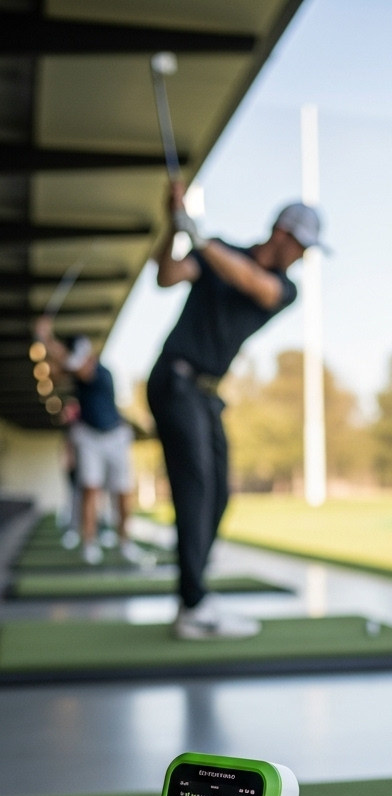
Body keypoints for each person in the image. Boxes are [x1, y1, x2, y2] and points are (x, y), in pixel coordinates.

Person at [147, 183, 326, 640]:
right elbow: (166, 275)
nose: (302, 257)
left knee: (220, 494)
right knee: (196, 487)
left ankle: (195, 596)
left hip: (207, 394)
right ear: (282, 233)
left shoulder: (284, 288)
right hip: (174, 380)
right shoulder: (217, 251)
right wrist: (175, 226)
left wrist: (201, 237)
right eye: (302, 247)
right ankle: (193, 604)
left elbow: (254, 284)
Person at [34, 318, 138, 565]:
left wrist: (46, 339)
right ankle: (89, 543)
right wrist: (43, 341)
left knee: (122, 493)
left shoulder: (99, 371)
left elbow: (73, 365)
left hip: (116, 436)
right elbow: (55, 372)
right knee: (90, 489)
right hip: (89, 436)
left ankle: (125, 542)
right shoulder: (74, 370)